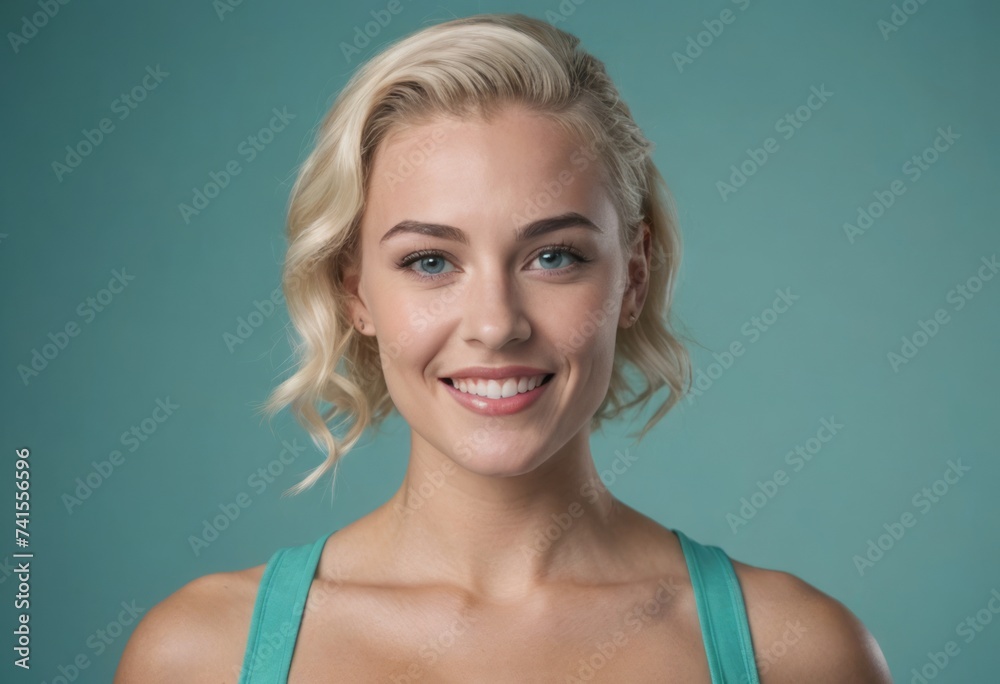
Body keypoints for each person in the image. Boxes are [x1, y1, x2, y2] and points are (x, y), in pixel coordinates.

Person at [116, 13, 892, 683]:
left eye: (553, 256)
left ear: (633, 276)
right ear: (355, 291)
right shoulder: (198, 656)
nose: (496, 324)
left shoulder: (793, 653)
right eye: (430, 262)